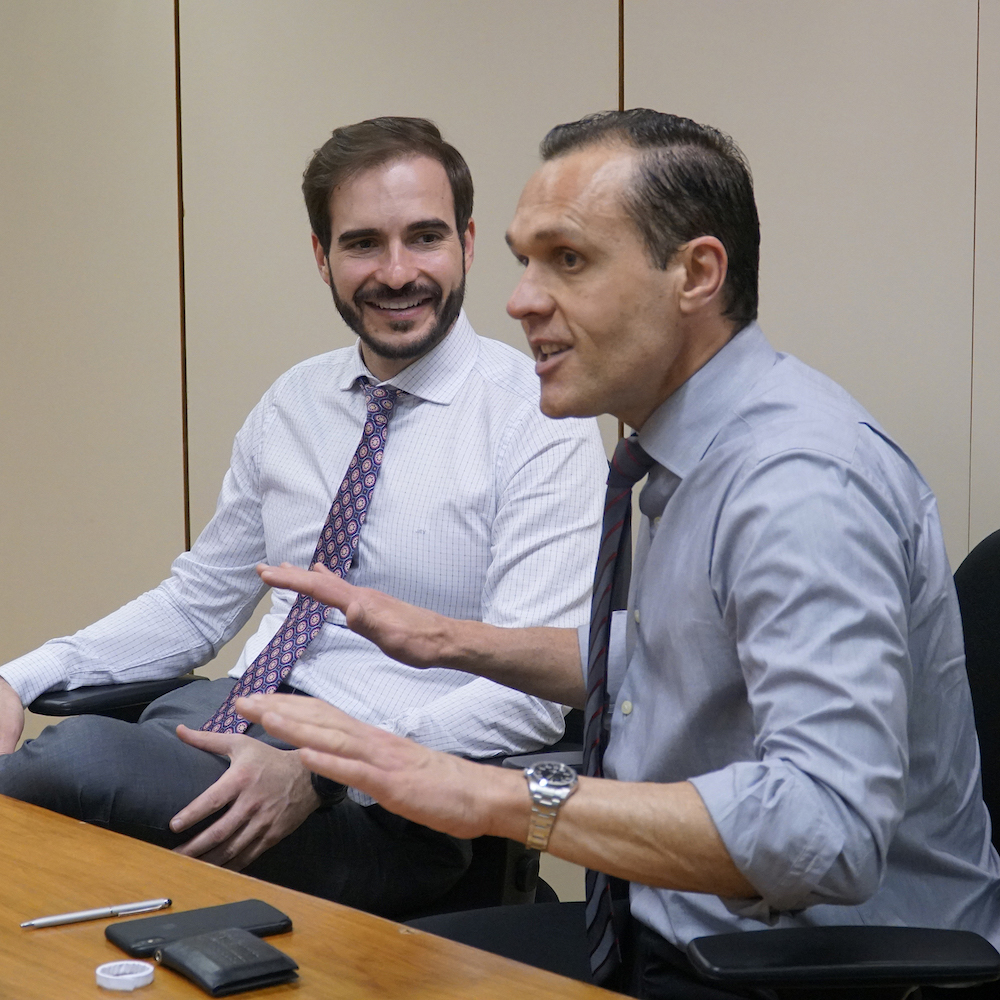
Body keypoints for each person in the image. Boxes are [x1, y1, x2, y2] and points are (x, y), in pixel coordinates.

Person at [235, 110, 1000, 998]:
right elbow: (686, 660)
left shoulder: (797, 482)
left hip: (806, 969)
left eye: (569, 260)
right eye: (524, 260)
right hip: (670, 921)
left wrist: (483, 795)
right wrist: (449, 641)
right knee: (338, 969)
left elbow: (824, 829)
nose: (521, 299)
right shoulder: (692, 452)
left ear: (696, 274)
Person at [0, 116, 607, 918]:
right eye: (362, 244)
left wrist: (330, 767)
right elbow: (195, 603)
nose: (398, 272)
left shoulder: (540, 417)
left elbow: (532, 696)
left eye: (424, 238)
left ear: (465, 240)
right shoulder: (294, 402)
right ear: (322, 256)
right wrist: (17, 678)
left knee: (70, 765)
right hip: (218, 724)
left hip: (382, 799)